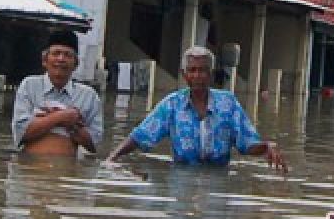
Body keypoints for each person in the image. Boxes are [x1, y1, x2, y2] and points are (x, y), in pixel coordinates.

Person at [104, 45, 287, 171]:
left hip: (219, 176)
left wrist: (266, 146)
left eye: (203, 70)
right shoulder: (172, 104)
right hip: (182, 175)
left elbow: (247, 144)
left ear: (211, 74)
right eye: (192, 70)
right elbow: (139, 136)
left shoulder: (228, 103)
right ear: (185, 75)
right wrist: (112, 159)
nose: (198, 75)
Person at [11, 29, 103, 156]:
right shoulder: (29, 85)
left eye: (67, 55)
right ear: (45, 60)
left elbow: (95, 145)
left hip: (69, 171)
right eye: (56, 53)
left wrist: (72, 125)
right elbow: (21, 132)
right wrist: (61, 117)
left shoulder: (88, 95)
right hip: (30, 168)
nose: (61, 59)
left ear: (76, 64)